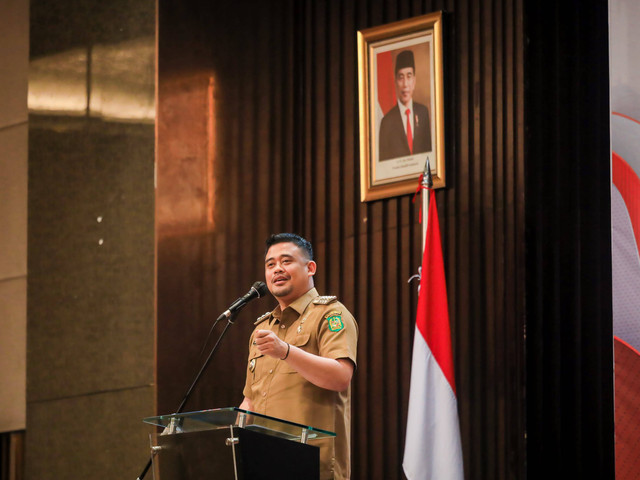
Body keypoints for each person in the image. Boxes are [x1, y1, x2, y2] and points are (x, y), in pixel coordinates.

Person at [240, 233, 358, 480]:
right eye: (270, 265)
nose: (277, 270)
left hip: (313, 465)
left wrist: (286, 352)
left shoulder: (331, 315)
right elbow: (250, 401)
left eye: (286, 261)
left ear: (310, 268)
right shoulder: (262, 328)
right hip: (264, 465)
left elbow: (340, 377)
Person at [378, 50, 432, 161]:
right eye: (401, 77)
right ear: (395, 82)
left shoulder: (423, 113)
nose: (405, 84)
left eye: (409, 76)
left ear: (414, 81)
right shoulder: (386, 122)